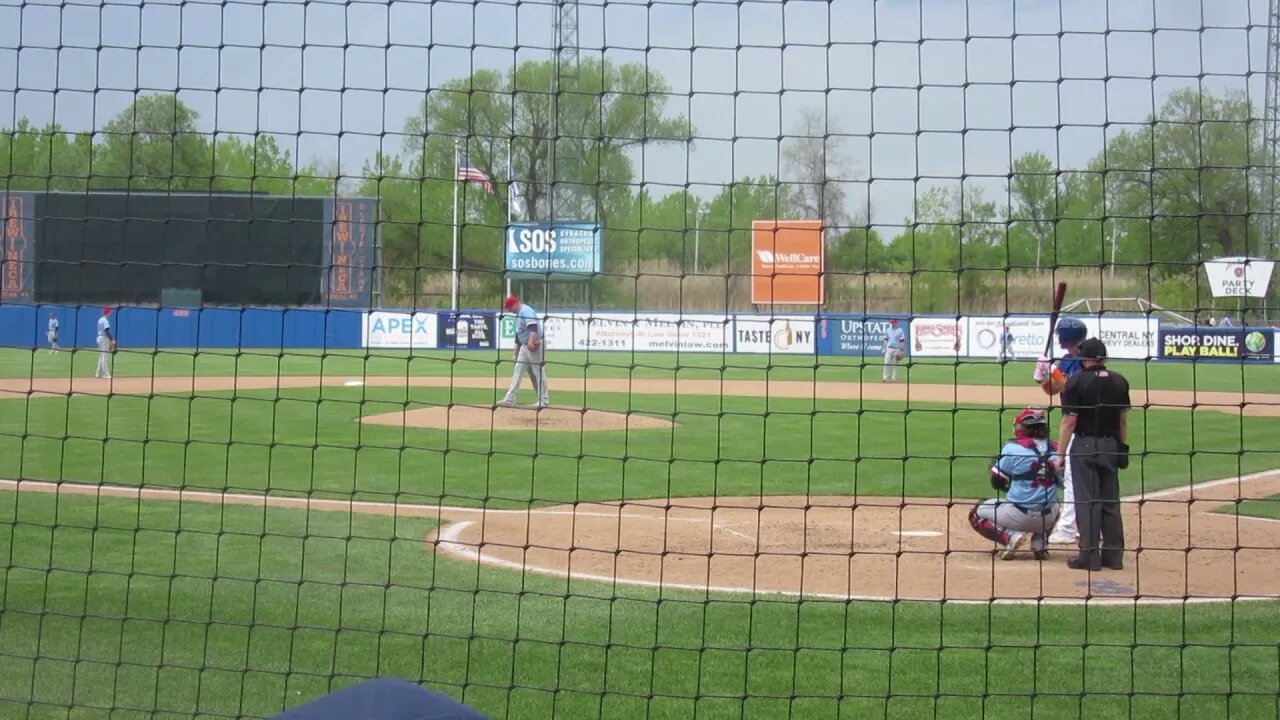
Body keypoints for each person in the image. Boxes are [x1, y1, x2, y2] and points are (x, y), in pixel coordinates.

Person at [1058, 338, 1131, 571]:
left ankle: (1089, 556)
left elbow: (1069, 422)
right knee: (1110, 501)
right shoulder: (1119, 381)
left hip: (1085, 446)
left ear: (1084, 358)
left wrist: (1060, 454)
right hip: (1111, 445)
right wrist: (1122, 447)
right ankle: (1114, 556)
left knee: (1087, 502)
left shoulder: (1076, 382)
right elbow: (1122, 420)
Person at [969, 407, 1063, 561]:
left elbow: (997, 482)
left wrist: (1009, 478)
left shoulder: (1012, 448)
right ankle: (1040, 543)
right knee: (1056, 502)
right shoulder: (1058, 448)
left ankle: (1011, 536)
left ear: (1023, 428)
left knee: (976, 513)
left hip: (1017, 516)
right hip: (1047, 518)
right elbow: (1063, 481)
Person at [1032, 317, 1087, 545]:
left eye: (1061, 336)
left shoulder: (1086, 358)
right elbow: (1053, 390)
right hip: (1075, 424)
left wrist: (1052, 370)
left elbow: (1071, 386)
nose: (1058, 340)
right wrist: (1044, 377)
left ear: (1067, 337)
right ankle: (1084, 527)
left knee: (1073, 479)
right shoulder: (1066, 360)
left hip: (1083, 425)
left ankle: (1066, 529)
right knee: (1074, 478)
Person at [499, 295, 549, 408]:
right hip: (525, 346)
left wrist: (531, 342)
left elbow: (533, 327)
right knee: (518, 371)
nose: (509, 310)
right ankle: (510, 398)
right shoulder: (519, 313)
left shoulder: (526, 311)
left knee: (538, 372)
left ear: (515, 304)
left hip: (535, 344)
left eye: (510, 308)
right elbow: (521, 332)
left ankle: (544, 400)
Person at [881, 318, 906, 382]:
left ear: (896, 323)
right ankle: (885, 378)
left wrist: (901, 350)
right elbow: (886, 339)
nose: (892, 323)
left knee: (895, 364)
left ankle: (894, 378)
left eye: (893, 322)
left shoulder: (900, 330)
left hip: (897, 348)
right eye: (891, 322)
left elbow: (902, 340)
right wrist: (884, 347)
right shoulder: (888, 330)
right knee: (886, 363)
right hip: (889, 348)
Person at [95, 307, 115, 379]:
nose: (111, 313)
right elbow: (107, 331)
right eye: (110, 312)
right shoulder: (105, 320)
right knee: (105, 356)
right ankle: (105, 374)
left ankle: (98, 373)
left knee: (101, 356)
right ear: (108, 312)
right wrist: (112, 340)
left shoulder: (100, 319)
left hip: (99, 338)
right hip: (103, 338)